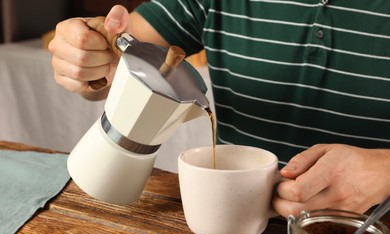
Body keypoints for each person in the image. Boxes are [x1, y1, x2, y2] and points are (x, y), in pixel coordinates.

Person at [49, 1, 390, 219]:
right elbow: (115, 61)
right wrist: (86, 55)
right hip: (233, 223)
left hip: (373, 229)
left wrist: (383, 171)